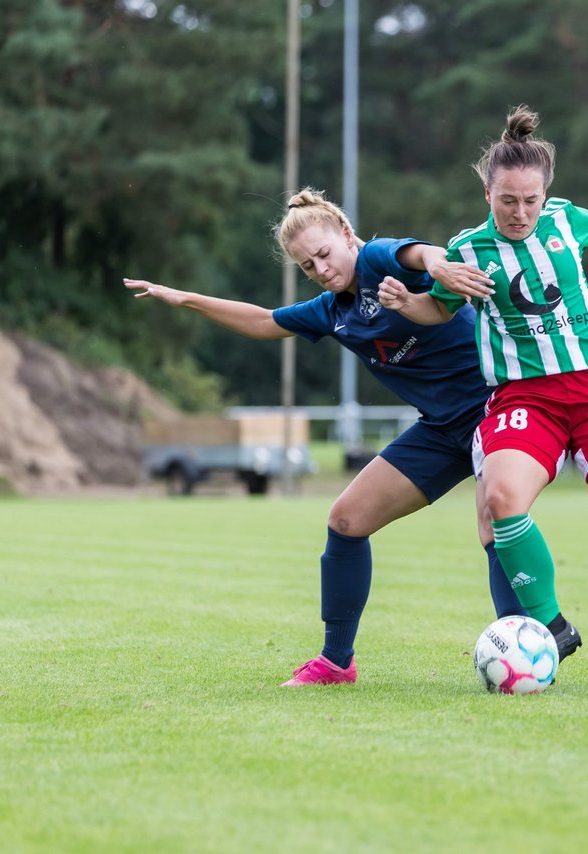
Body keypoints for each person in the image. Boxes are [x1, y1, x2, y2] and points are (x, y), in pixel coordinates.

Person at [125, 187, 556, 687]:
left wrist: (441, 268)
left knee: (494, 524)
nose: (322, 269)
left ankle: (533, 649)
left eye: (325, 254)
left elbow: (423, 254)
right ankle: (335, 663)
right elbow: (265, 322)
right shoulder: (331, 311)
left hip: (495, 408)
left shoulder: (377, 259)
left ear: (347, 236)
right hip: (441, 430)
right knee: (346, 520)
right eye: (308, 266)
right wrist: (187, 299)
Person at [379, 106, 588, 689]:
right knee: (502, 498)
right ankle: (552, 627)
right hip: (523, 396)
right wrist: (407, 305)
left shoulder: (564, 220)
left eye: (531, 199)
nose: (521, 211)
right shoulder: (466, 250)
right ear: (488, 191)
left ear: (545, 193)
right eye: (509, 199)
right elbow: (438, 306)